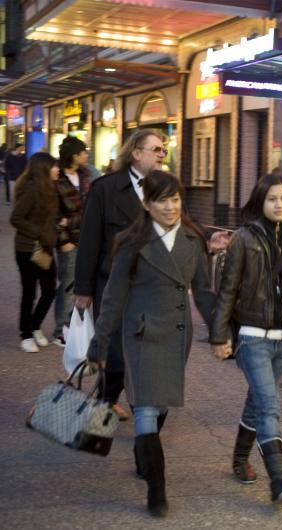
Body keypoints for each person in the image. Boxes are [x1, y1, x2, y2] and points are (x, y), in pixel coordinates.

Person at [86, 170, 214, 518]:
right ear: (147, 204)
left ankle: (144, 454)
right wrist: (99, 342)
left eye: (175, 199)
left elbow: (203, 293)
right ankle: (157, 489)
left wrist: (220, 332)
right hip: (141, 332)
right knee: (144, 407)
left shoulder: (192, 238)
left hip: (176, 335)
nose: (170, 207)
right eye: (162, 200)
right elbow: (113, 296)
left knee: (160, 407)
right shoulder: (132, 242)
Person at [211, 173, 282, 505]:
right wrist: (220, 335)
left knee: (257, 401)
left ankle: (240, 460)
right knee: (269, 404)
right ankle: (278, 479)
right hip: (252, 337)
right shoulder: (243, 238)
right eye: (272, 199)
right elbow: (228, 289)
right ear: (260, 202)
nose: (279, 204)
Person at [74, 129, 167, 421]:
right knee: (115, 349)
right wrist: (83, 288)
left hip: (151, 284)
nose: (162, 154)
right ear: (136, 153)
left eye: (163, 150)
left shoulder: (166, 188)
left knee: (144, 346)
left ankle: (130, 402)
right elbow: (89, 240)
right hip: (111, 282)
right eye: (156, 149)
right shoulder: (106, 188)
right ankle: (108, 400)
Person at [9, 152, 59, 353]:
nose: (58, 169)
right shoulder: (31, 190)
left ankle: (35, 324)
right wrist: (39, 233)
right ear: (44, 169)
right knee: (29, 291)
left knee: (49, 290)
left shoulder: (51, 189)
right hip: (27, 248)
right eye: (54, 166)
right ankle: (26, 334)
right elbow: (16, 218)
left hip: (45, 248)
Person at [52, 137, 91, 347]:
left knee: (84, 284)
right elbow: (54, 213)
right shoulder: (57, 178)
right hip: (68, 241)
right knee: (67, 286)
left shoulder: (87, 175)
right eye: (83, 152)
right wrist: (63, 239)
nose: (86, 155)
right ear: (74, 156)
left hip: (86, 239)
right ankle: (61, 329)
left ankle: (78, 326)